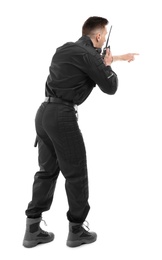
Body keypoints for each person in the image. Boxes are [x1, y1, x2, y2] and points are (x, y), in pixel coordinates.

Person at [23, 16, 138, 248]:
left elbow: (88, 63)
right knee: (76, 173)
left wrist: (116, 58)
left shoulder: (65, 49)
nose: (104, 38)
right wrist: (108, 66)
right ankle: (76, 230)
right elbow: (110, 87)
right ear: (97, 37)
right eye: (104, 35)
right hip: (63, 116)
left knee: (46, 171)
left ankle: (32, 230)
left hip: (43, 113)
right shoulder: (89, 57)